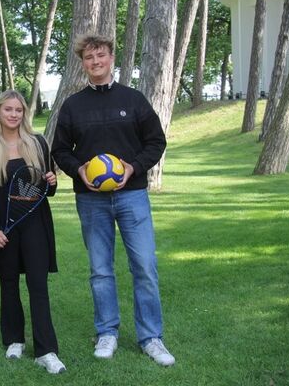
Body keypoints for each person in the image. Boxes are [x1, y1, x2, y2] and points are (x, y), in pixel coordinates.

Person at [51, 34, 175, 367]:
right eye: (89, 57)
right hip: (91, 201)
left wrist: (133, 167)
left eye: (101, 56)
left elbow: (155, 141)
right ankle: (107, 332)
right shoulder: (73, 105)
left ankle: (151, 337)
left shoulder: (133, 99)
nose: (95, 62)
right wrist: (79, 171)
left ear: (111, 58)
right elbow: (60, 150)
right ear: (83, 63)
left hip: (132, 195)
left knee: (145, 267)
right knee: (100, 270)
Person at [0, 90, 66, 374]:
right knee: (9, 284)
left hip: (35, 225)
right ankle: (14, 340)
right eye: (8, 109)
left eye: (19, 110)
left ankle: (46, 350)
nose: (14, 114)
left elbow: (45, 191)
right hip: (4, 229)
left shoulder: (38, 143)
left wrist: (51, 181)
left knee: (38, 286)